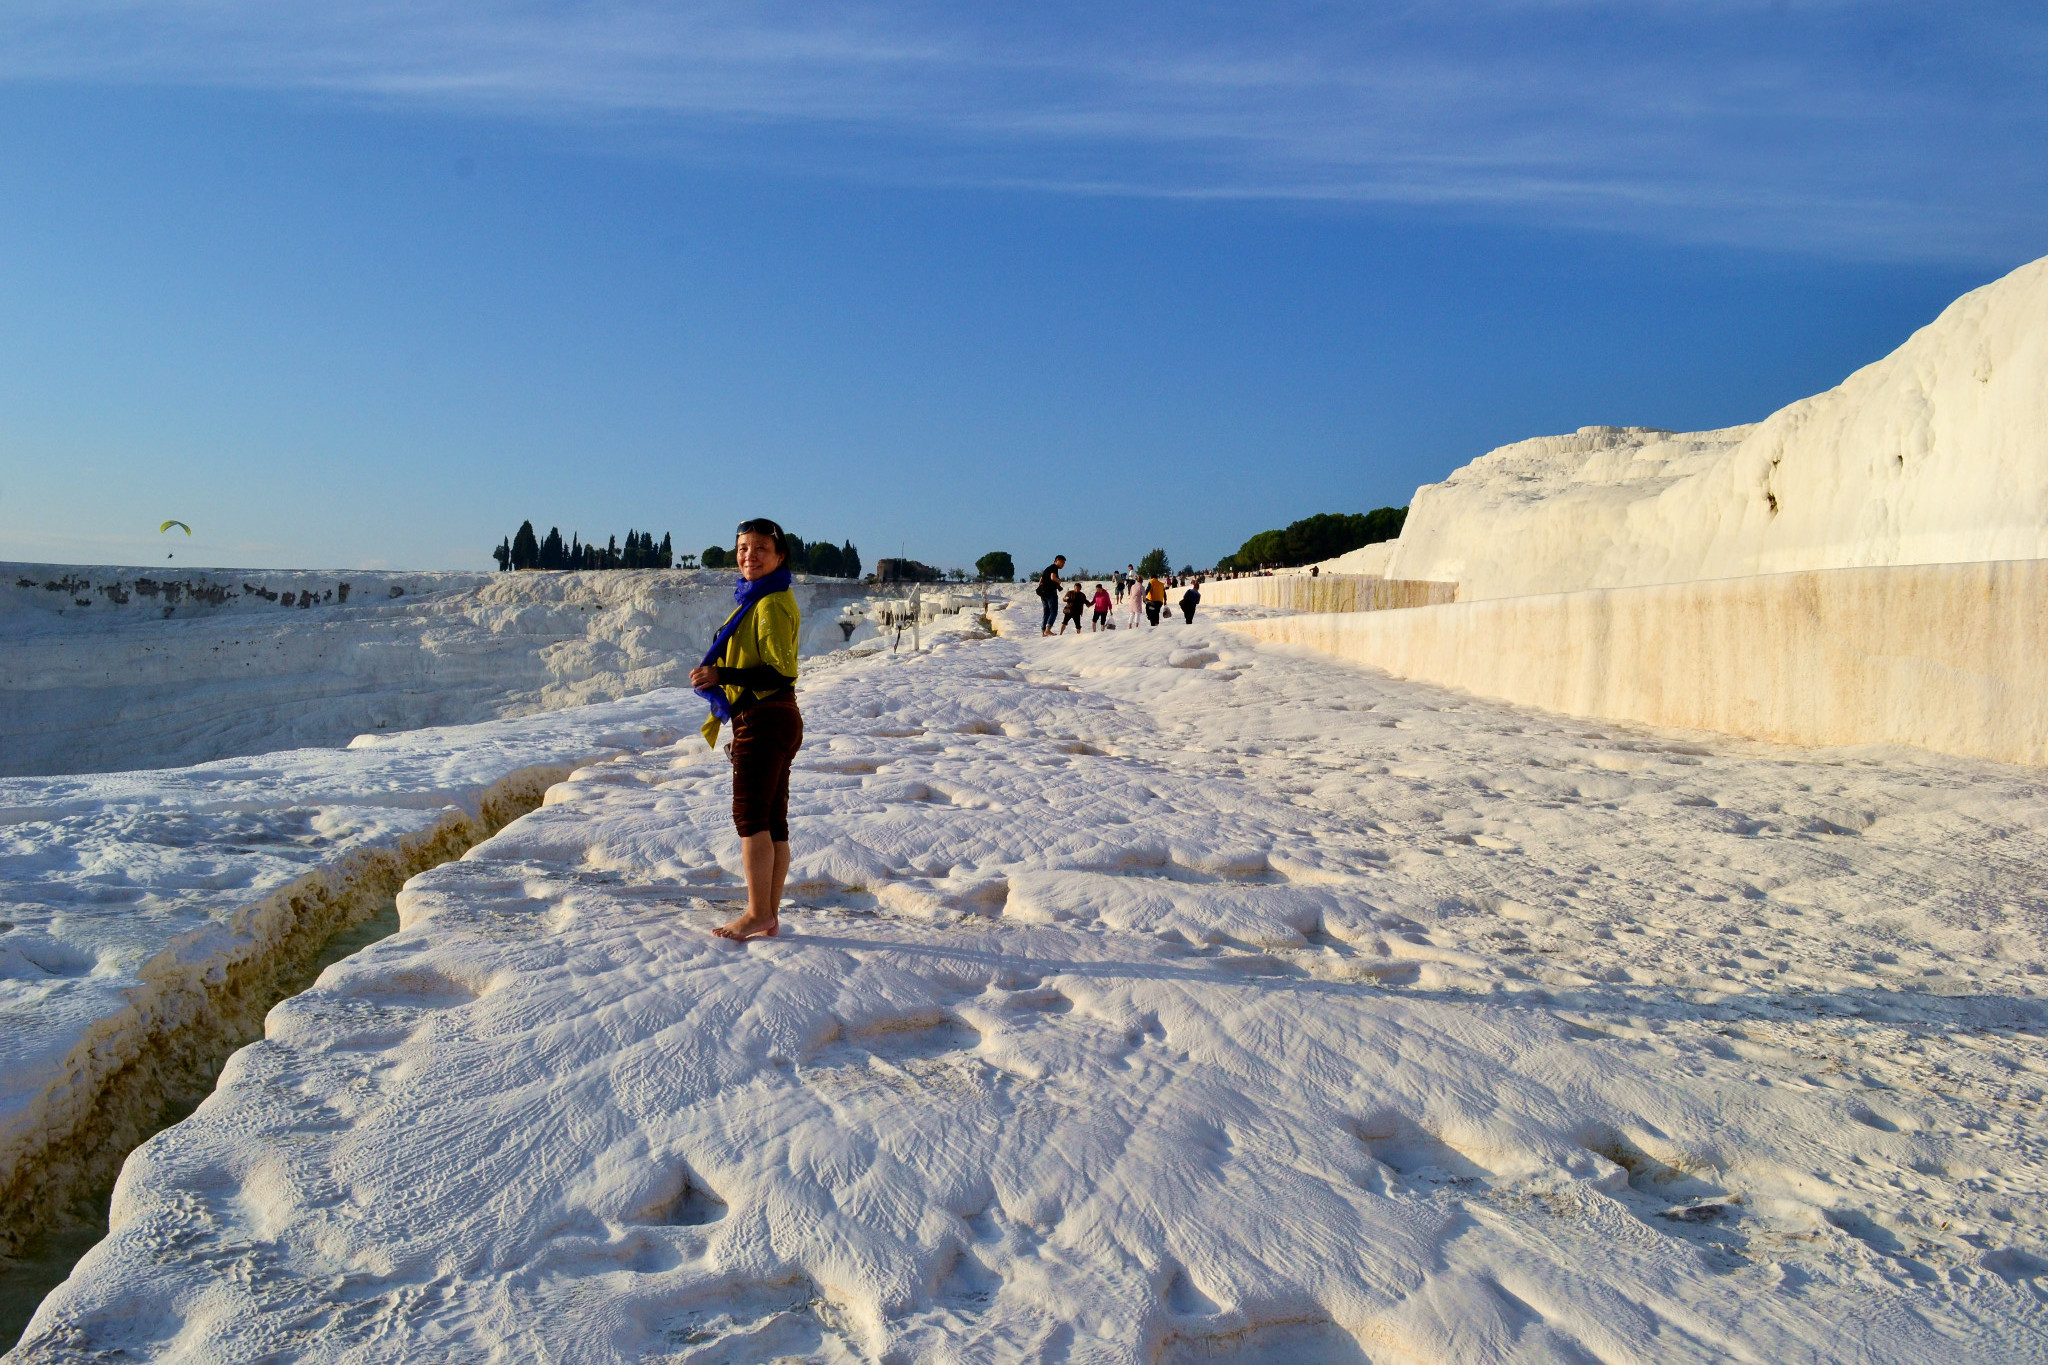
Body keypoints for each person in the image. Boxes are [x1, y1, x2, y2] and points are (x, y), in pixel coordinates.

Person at [690, 518, 803, 942]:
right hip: (776, 717)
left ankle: (757, 913)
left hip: (765, 717)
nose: (749, 557)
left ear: (779, 556)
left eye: (759, 549)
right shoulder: (763, 596)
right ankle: (769, 914)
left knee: (750, 819)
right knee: (773, 822)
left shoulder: (770, 601)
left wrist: (722, 674)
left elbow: (781, 671)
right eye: (742, 549)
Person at [1036, 555, 1066, 636]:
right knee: (1053, 611)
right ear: (1057, 561)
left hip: (1043, 592)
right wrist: (1059, 581)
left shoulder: (1047, 568)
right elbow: (1053, 578)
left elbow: (1040, 580)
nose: (1063, 565)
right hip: (1050, 592)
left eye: (1064, 563)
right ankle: (1048, 630)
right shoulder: (1054, 567)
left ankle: (1043, 632)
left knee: (1046, 612)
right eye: (1062, 562)